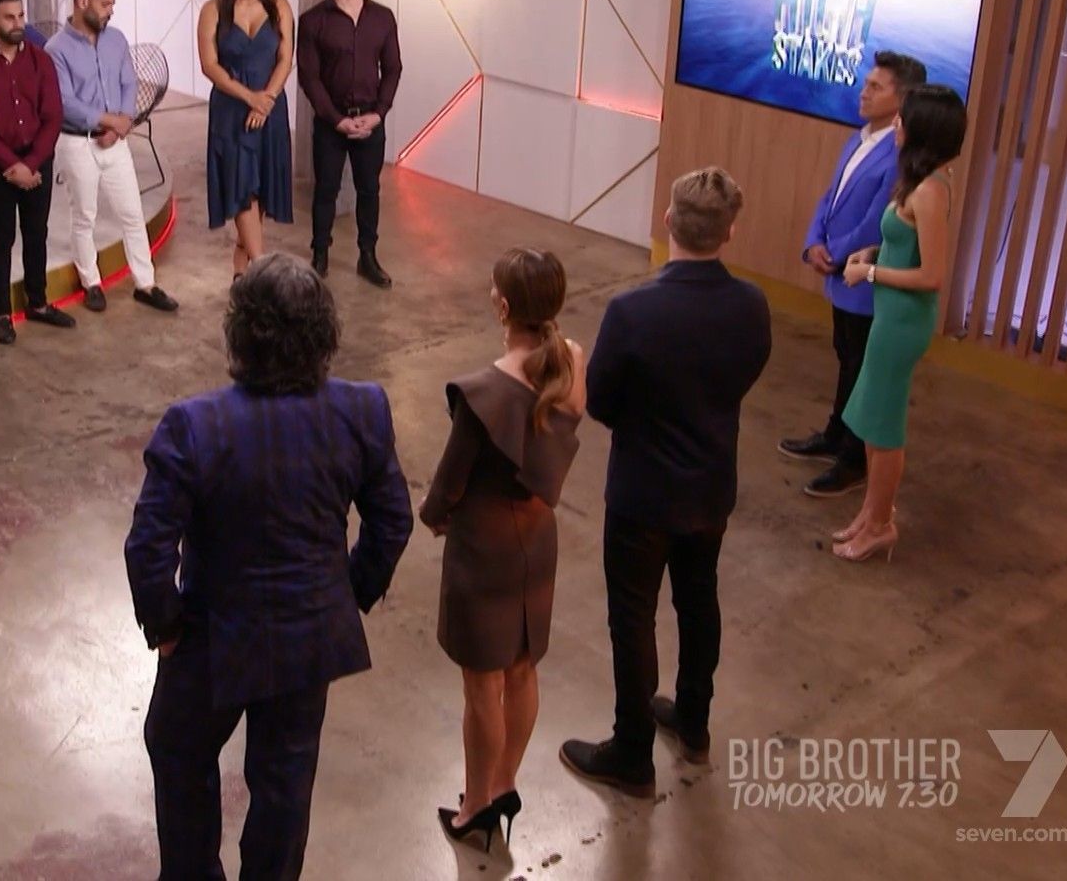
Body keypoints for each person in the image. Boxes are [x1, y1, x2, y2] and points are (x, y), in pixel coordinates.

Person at [126, 252, 413, 881]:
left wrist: (167, 627)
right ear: (323, 332)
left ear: (241, 333)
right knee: (285, 779)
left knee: (178, 752)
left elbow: (148, 547)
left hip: (212, 637)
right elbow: (393, 521)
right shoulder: (362, 409)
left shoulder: (194, 425)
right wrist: (345, 592)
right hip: (308, 637)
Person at [560, 168, 771, 799]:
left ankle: (632, 750)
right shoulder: (751, 305)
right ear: (730, 232)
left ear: (669, 221)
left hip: (643, 492)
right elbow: (746, 371)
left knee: (633, 617)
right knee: (698, 602)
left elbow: (600, 401)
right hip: (710, 486)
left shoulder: (633, 311)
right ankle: (694, 721)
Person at [421, 249, 583, 851]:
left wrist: (433, 518)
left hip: (484, 552)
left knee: (481, 687)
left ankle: (477, 805)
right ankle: (505, 782)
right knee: (522, 669)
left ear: (505, 306)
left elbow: (448, 486)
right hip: (538, 542)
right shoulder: (572, 365)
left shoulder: (483, 394)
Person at [781, 51, 927, 497]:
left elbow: (876, 220)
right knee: (846, 356)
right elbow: (831, 196)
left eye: (875, 87)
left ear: (902, 99)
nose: (863, 92)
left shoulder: (900, 153)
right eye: (866, 84)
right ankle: (835, 433)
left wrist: (838, 254)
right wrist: (814, 242)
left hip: (863, 277)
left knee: (861, 367)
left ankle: (853, 458)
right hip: (840, 272)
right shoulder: (857, 137)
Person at [832, 85, 968, 563]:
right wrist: (874, 252)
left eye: (903, 119)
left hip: (902, 323)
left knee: (884, 428)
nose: (896, 124)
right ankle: (870, 514)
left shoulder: (930, 191)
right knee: (872, 420)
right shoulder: (922, 180)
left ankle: (880, 525)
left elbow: (931, 276)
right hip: (890, 315)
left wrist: (868, 273)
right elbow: (904, 244)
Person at [45, 0, 178, 318]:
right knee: (84, 216)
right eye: (105, 4)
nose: (110, 12)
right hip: (77, 143)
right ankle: (91, 283)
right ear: (82, 1)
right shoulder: (56, 49)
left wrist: (122, 122)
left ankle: (145, 284)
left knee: (132, 213)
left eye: (112, 5)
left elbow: (129, 82)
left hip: (115, 142)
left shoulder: (116, 40)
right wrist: (109, 121)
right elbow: (64, 102)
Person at [0, 0, 75, 346]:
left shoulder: (41, 60)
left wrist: (33, 163)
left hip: (37, 162)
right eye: (9, 17)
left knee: (37, 233)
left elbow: (53, 116)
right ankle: (2, 313)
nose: (18, 23)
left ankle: (37, 302)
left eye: (21, 15)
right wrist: (13, 165)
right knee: (2, 238)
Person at [296, 0, 402, 288]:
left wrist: (379, 113)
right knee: (326, 189)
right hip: (332, 122)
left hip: (371, 119)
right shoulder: (313, 21)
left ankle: (367, 256)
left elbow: (393, 69)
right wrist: (336, 119)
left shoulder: (383, 18)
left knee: (369, 189)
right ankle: (320, 255)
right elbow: (309, 77)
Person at [200, 0, 295, 278]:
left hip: (270, 108)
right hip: (231, 110)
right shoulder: (213, 9)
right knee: (242, 188)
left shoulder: (279, 6)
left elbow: (285, 59)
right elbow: (209, 65)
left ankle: (242, 274)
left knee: (263, 190)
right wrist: (249, 98)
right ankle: (262, 269)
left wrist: (265, 100)